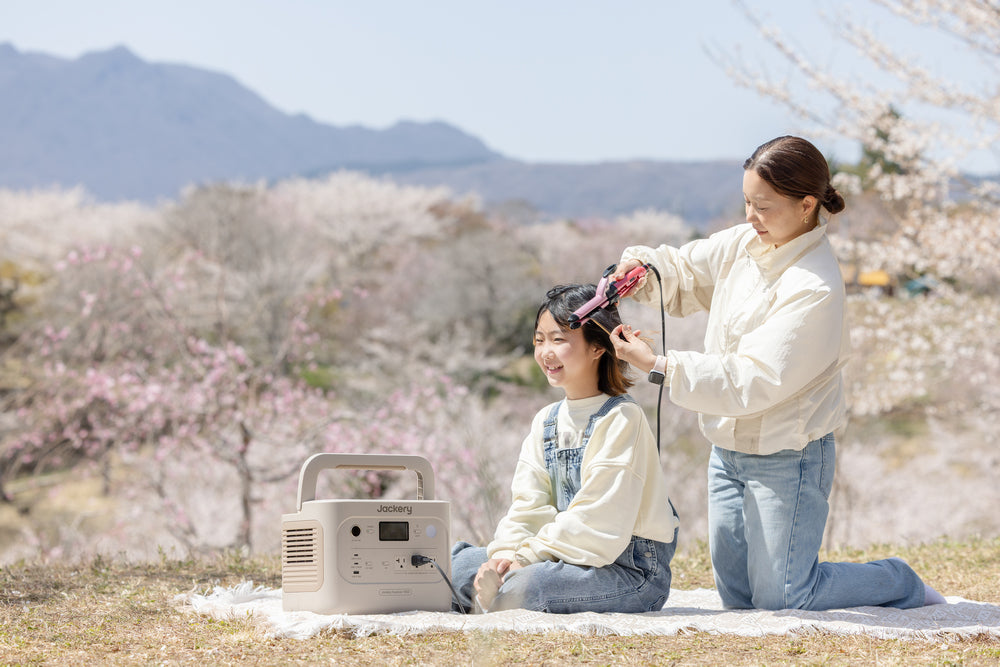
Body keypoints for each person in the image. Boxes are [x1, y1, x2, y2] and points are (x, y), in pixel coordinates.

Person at [607, 135, 946, 611]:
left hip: (788, 453)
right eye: (747, 202)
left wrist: (660, 365)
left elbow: (753, 379)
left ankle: (898, 580)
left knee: (783, 595)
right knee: (738, 596)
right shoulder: (744, 243)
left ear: (807, 205)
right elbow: (685, 272)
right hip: (727, 446)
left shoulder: (815, 286)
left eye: (763, 206)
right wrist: (643, 270)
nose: (751, 217)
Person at [450, 283, 680, 613]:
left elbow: (598, 521)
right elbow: (528, 505)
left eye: (558, 340)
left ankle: (496, 596)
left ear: (597, 347)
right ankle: (497, 594)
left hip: (628, 571)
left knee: (529, 586)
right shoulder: (547, 420)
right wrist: (504, 557)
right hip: (562, 558)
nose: (546, 352)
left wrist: (523, 562)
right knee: (453, 564)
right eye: (539, 340)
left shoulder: (621, 418)